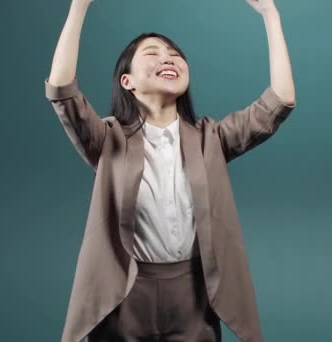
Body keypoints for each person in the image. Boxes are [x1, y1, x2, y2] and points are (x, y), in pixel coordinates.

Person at [44, 0, 296, 341]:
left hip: (194, 297)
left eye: (175, 54)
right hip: (125, 296)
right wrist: (79, 6)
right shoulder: (108, 139)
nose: (168, 57)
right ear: (127, 81)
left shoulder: (213, 138)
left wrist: (270, 15)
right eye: (152, 52)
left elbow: (279, 101)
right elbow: (62, 90)